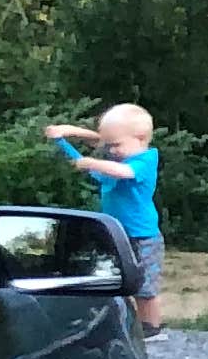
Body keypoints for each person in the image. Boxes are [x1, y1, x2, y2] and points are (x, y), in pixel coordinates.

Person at [44, 102, 163, 329]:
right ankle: (130, 324)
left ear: (140, 138)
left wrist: (91, 162)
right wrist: (67, 132)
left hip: (142, 235)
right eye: (109, 145)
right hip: (116, 233)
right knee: (117, 281)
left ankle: (153, 326)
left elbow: (123, 173)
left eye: (116, 145)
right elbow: (100, 140)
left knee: (146, 288)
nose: (111, 150)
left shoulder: (145, 160)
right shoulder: (120, 154)